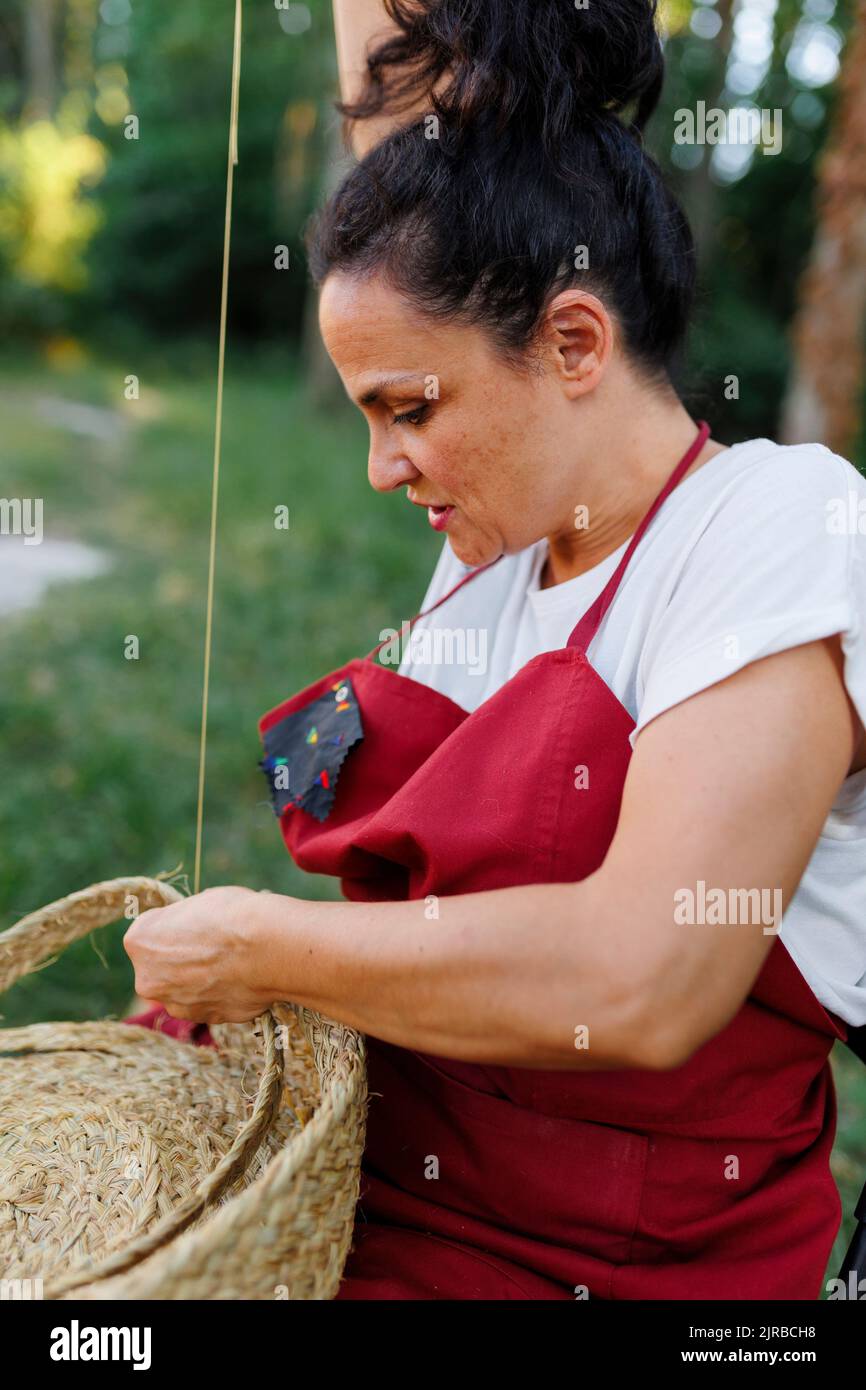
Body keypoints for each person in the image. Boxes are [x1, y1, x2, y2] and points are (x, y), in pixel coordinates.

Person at [125, 0, 866, 1300]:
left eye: (408, 410)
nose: (380, 467)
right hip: (373, 1199)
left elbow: (643, 980)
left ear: (574, 343)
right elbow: (407, 166)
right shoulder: (497, 546)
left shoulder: (776, 523)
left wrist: (266, 949)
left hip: (619, 1270)